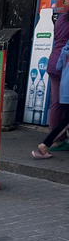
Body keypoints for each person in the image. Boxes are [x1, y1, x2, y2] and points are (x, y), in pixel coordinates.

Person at [34, 41, 69, 159]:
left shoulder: (66, 47)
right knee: (66, 121)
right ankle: (45, 145)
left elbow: (59, 66)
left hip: (64, 88)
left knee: (66, 119)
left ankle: (45, 145)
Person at [46, 11, 69, 151]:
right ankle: (55, 139)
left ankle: (55, 139)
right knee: (63, 104)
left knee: (56, 103)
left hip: (54, 61)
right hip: (64, 64)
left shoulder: (61, 18)